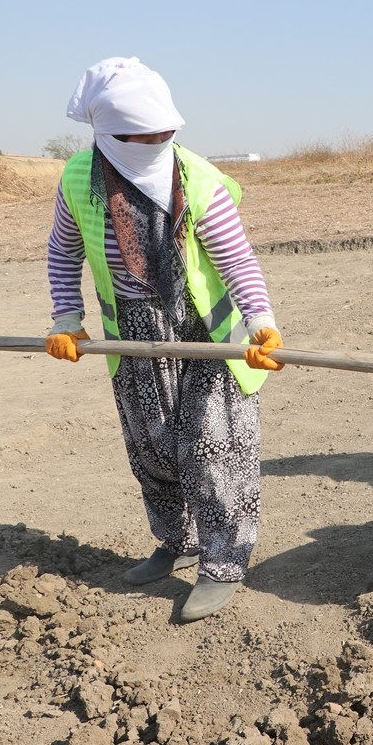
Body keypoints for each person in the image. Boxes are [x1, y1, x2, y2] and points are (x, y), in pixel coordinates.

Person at [44, 57, 286, 623]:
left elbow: (237, 260)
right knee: (151, 445)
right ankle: (174, 540)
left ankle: (223, 562)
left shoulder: (198, 179)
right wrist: (64, 318)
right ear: (105, 134)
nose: (153, 142)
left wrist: (260, 321)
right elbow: (63, 251)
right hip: (131, 331)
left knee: (211, 445)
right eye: (139, 136)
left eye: (163, 134)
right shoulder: (81, 177)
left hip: (207, 332)